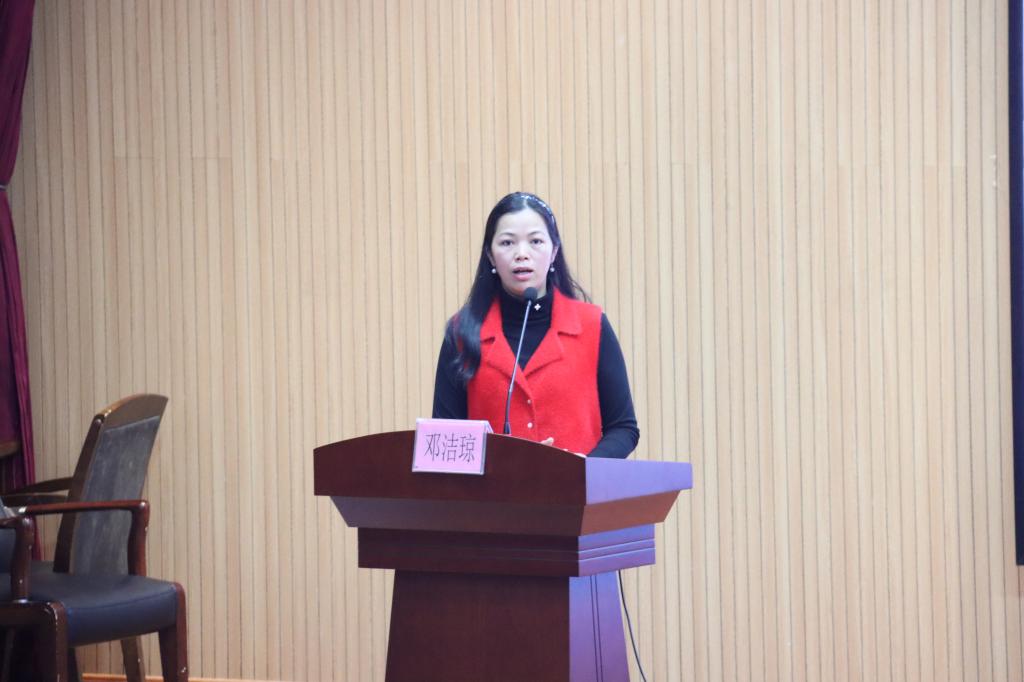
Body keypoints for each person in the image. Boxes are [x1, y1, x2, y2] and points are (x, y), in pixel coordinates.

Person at [432, 192, 639, 458]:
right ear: (490, 255)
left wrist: (583, 469)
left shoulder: (592, 325)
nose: (522, 254)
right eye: (507, 242)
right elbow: (445, 440)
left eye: (535, 241)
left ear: (554, 251)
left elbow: (623, 428)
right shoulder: (462, 332)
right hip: (494, 486)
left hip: (576, 485)